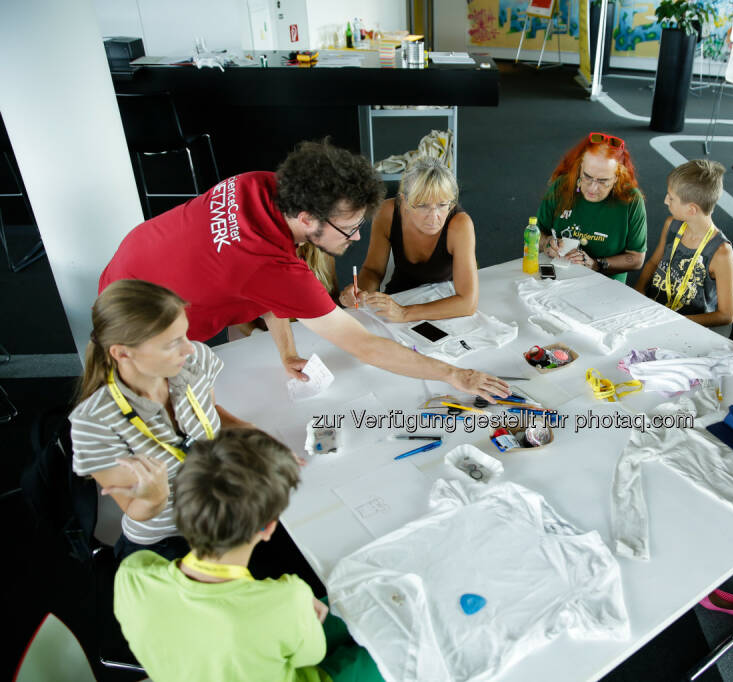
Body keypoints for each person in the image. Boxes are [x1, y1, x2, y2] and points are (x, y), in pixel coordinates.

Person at [100, 139, 507, 402]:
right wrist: (455, 374)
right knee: (161, 413)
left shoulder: (256, 184)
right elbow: (365, 345)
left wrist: (287, 350)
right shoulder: (273, 267)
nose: (353, 240)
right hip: (141, 326)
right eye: (349, 230)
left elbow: (264, 290)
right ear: (309, 219)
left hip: (127, 270)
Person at [114, 428, 384, 682]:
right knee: (398, 644)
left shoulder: (131, 574)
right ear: (268, 528)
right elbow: (310, 655)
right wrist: (296, 614)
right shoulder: (287, 598)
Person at [70, 279, 248, 560]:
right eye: (172, 343)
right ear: (122, 353)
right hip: (168, 542)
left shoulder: (196, 359)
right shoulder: (93, 423)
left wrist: (252, 435)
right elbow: (135, 510)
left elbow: (210, 411)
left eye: (185, 335)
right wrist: (153, 498)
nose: (189, 348)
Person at [339, 157, 478, 322]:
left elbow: (467, 303)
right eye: (422, 205)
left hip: (443, 303)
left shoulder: (460, 225)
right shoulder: (387, 213)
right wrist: (360, 293)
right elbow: (373, 270)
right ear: (404, 201)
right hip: (399, 297)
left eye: (442, 205)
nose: (434, 217)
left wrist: (404, 313)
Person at [633, 159, 733, 327]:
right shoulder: (671, 225)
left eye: (671, 198)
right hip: (651, 313)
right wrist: (639, 288)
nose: (666, 201)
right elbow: (653, 262)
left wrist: (675, 321)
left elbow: (726, 315)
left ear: (691, 210)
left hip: (685, 326)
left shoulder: (721, 252)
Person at [536, 132, 647, 283]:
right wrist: (547, 242)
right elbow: (535, 234)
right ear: (579, 167)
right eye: (587, 177)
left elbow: (636, 259)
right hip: (557, 277)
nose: (592, 189)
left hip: (604, 285)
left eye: (603, 181)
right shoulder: (562, 187)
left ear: (617, 177)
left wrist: (596, 264)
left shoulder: (631, 200)